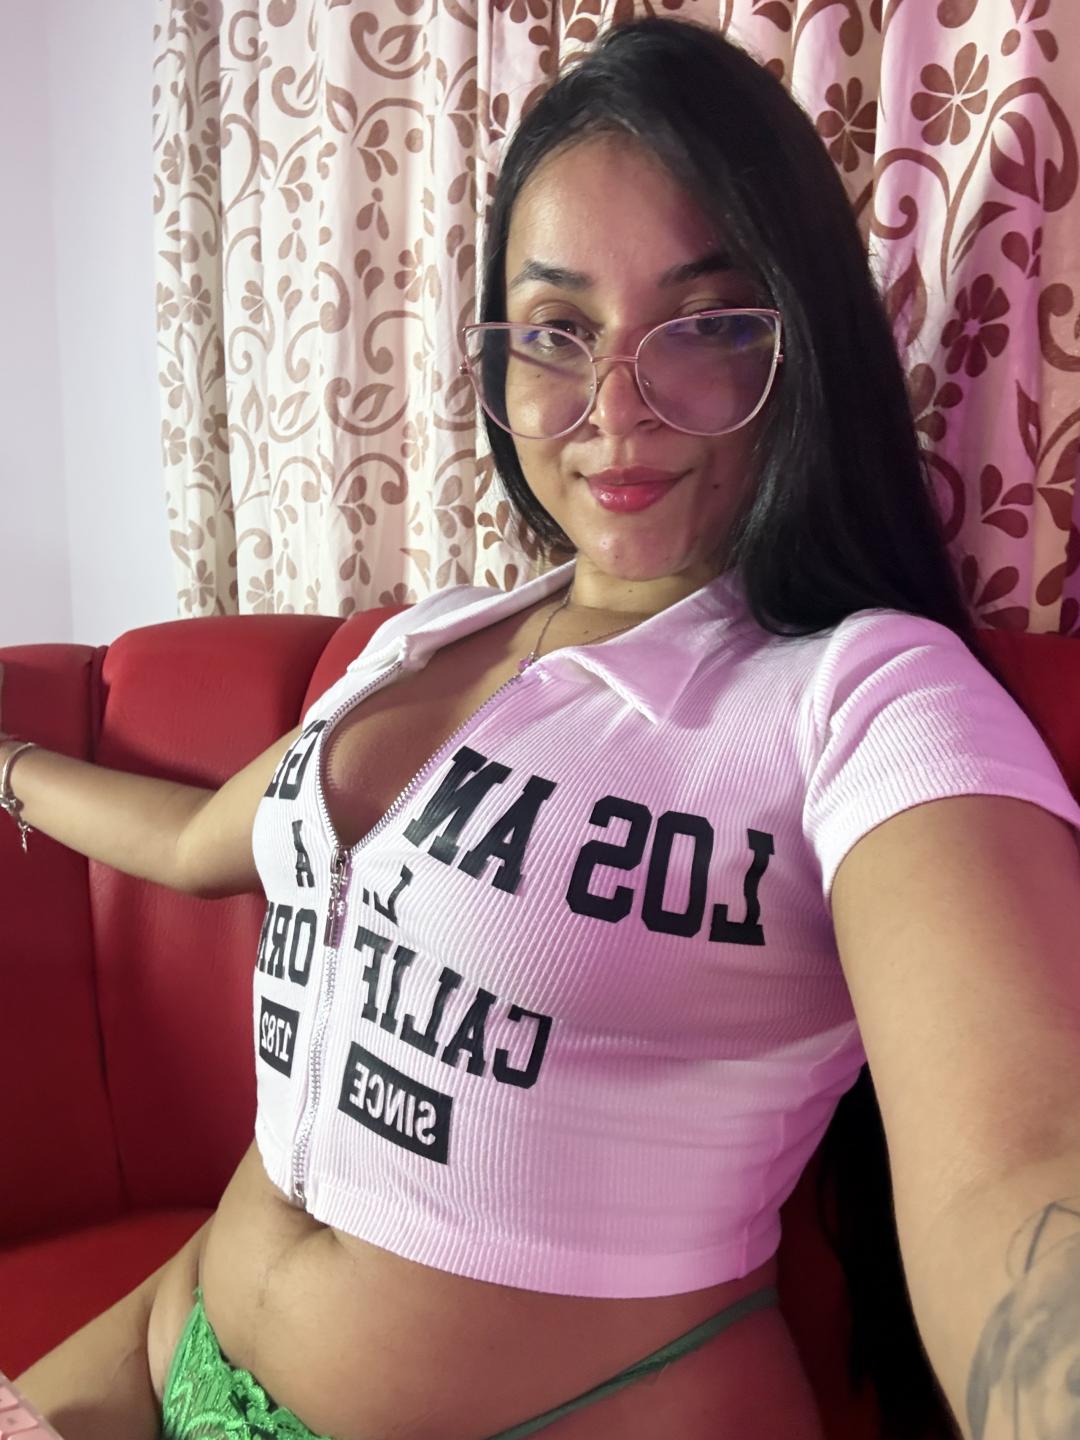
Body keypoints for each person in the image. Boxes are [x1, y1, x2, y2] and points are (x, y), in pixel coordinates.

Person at [3, 15, 1080, 1440]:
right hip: (171, 1349)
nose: (617, 411)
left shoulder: (863, 696)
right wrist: (9, 768)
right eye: (559, 332)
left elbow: (1020, 1171)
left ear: (801, 342)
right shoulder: (423, 638)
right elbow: (210, 842)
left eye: (707, 325)